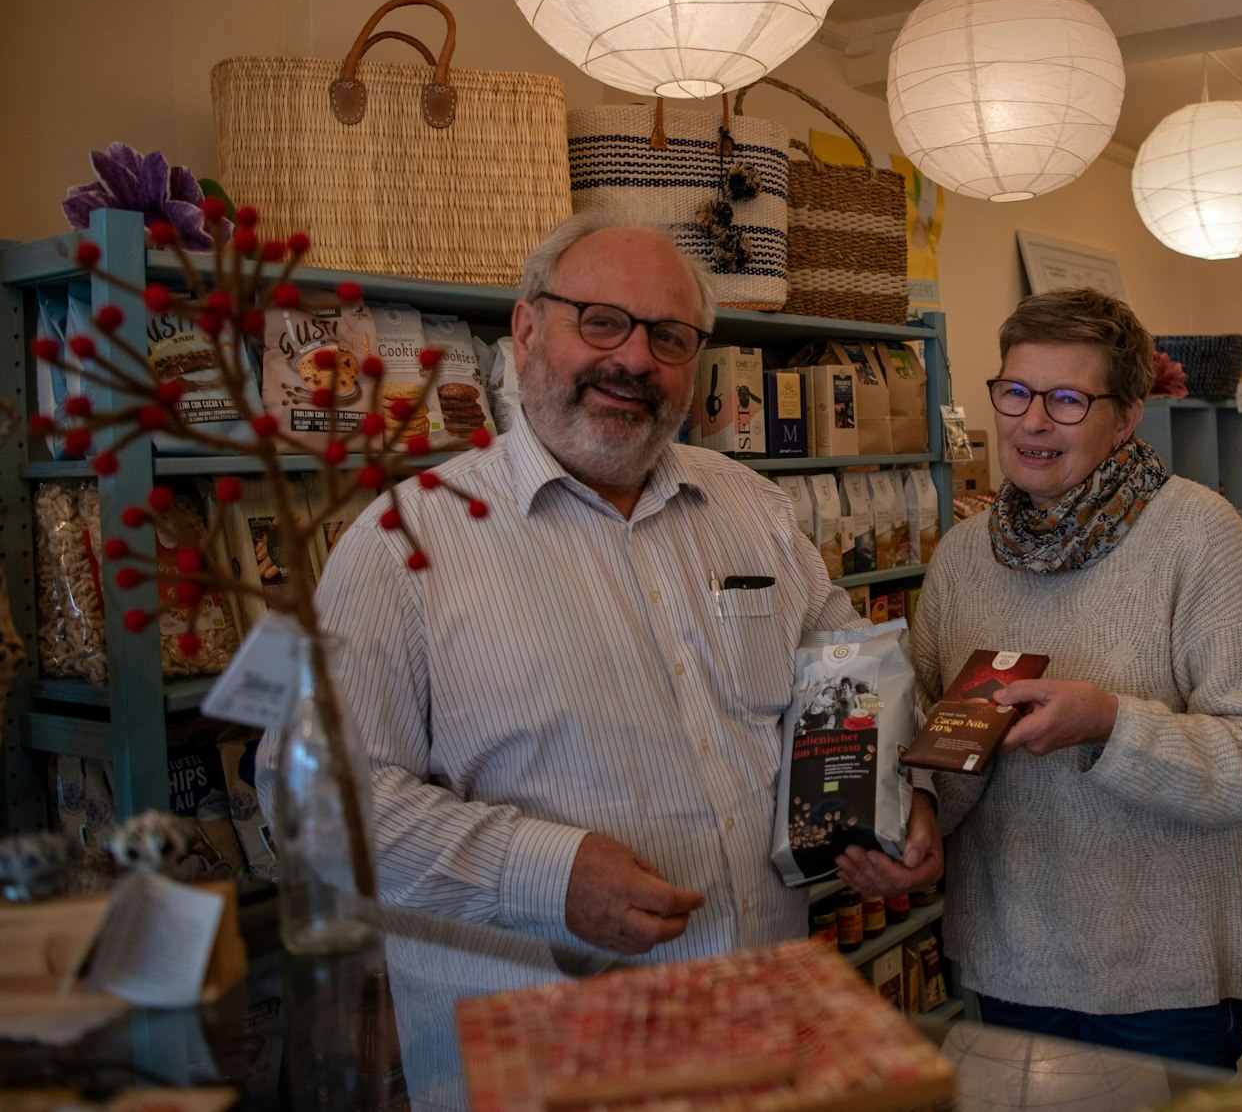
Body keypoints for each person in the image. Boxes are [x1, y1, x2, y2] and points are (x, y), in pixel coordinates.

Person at [260, 213, 941, 1111]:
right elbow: (308, 799)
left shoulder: (754, 509)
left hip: (759, 1032)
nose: (633, 360)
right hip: (544, 1067)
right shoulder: (403, 539)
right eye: (601, 322)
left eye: (668, 337)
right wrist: (540, 871)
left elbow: (845, 672)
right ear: (527, 328)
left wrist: (897, 801)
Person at [838, 288, 1242, 1071]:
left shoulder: (1199, 536)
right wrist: (908, 817)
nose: (1030, 421)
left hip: (1164, 986)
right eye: (1016, 392)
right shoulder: (963, 555)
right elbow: (927, 747)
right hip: (1007, 968)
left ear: (1126, 416)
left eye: (1066, 398)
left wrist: (1109, 724)